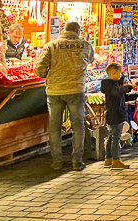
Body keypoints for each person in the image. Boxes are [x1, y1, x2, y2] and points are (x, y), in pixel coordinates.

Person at [34, 21, 94, 171]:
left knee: (54, 127)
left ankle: (57, 162)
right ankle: (77, 161)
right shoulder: (85, 45)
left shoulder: (52, 46)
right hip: (76, 90)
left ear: (64, 30)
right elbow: (91, 59)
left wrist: (49, 75)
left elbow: (39, 68)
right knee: (78, 126)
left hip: (55, 91)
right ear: (78, 32)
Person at [102, 62, 137, 169]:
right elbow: (117, 92)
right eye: (119, 73)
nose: (121, 75)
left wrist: (135, 95)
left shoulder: (114, 85)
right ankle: (115, 160)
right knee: (115, 138)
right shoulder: (110, 85)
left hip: (115, 113)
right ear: (113, 73)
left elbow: (121, 96)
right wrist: (131, 86)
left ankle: (108, 159)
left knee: (111, 136)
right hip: (115, 114)